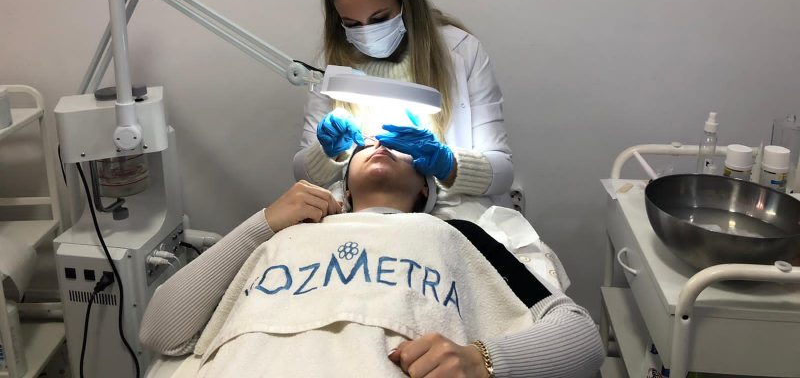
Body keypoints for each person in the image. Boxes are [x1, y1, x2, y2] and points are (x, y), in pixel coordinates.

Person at [139, 140, 603, 377]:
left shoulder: (456, 234)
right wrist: (261, 223)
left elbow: (581, 336)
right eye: (365, 147)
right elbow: (160, 330)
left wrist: (483, 361)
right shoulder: (291, 231)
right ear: (344, 186)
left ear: (425, 190)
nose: (380, 145)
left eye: (400, 150)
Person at [293, 0, 513, 212]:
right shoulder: (330, 67)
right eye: (352, 24)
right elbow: (303, 174)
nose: (367, 32)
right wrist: (326, 151)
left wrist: (448, 164)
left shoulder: (461, 51)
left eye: (379, 18)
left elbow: (502, 171)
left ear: (405, 3)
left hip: (455, 216)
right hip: (359, 218)